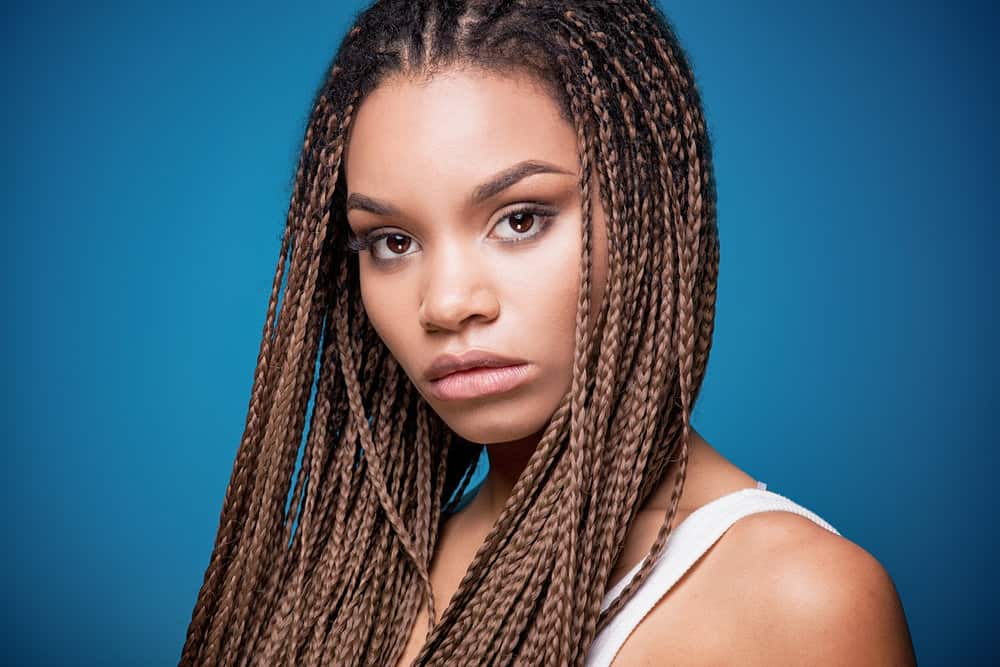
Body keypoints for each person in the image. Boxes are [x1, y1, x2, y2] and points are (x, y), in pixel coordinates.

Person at [181, 1, 916, 665]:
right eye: (393, 241)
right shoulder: (334, 583)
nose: (446, 302)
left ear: (644, 217)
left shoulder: (801, 602)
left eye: (520, 219)